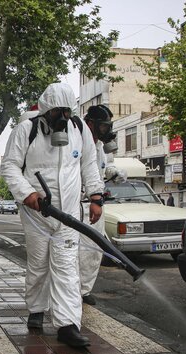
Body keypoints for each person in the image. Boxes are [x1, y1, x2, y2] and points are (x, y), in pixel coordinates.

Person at [1, 83, 105, 348]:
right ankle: (36, 309)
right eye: (57, 112)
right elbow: (10, 166)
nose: (63, 118)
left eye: (67, 112)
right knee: (38, 265)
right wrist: (28, 194)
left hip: (68, 214)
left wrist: (95, 197)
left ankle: (67, 325)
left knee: (67, 269)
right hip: (36, 214)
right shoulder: (26, 130)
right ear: (46, 109)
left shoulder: (79, 130)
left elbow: (89, 165)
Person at [78, 105, 127, 306]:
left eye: (108, 127)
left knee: (92, 250)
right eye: (103, 127)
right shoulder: (78, 141)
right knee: (73, 250)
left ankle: (84, 290)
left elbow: (105, 168)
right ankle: (70, 289)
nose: (106, 131)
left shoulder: (101, 147)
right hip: (78, 204)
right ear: (90, 124)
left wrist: (114, 172)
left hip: (96, 204)